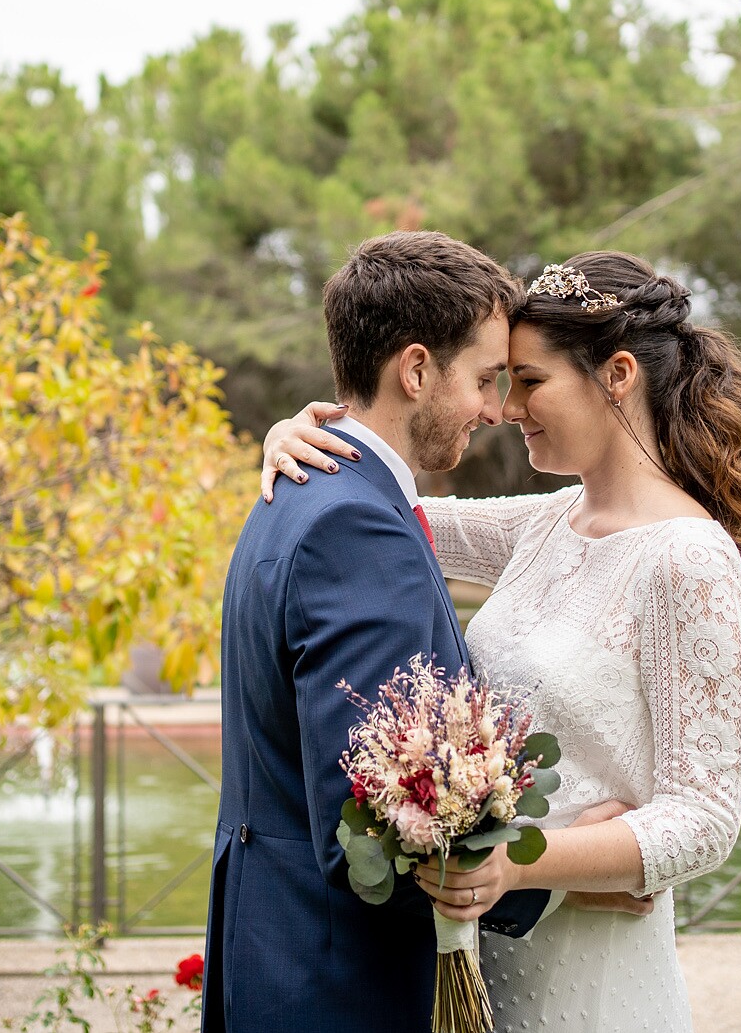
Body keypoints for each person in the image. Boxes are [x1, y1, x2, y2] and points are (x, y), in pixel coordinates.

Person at [262, 250, 741, 1033]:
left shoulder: (687, 559)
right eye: (503, 380)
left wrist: (515, 862)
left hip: (596, 980)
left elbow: (705, 817)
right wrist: (303, 433)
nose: (508, 406)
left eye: (531, 379)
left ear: (618, 374)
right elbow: (390, 510)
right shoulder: (546, 522)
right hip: (491, 966)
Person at [204, 230, 574, 1032]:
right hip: (339, 987)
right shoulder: (357, 531)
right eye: (482, 378)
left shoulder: (300, 491)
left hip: (277, 955)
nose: (494, 408)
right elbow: (372, 835)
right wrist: (577, 872)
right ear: (414, 370)